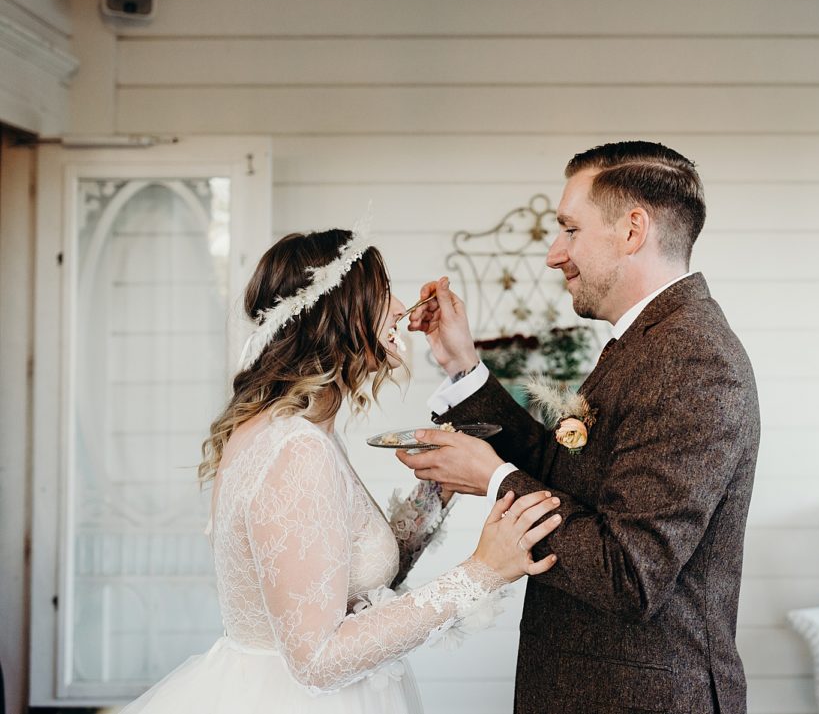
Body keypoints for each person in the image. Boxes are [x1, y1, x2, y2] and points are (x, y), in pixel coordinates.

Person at [121, 225, 564, 714]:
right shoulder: (295, 451)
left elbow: (345, 574)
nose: (399, 308)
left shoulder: (297, 431)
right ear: (337, 314)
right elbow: (318, 660)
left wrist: (434, 492)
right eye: (382, 294)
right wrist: (481, 571)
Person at [399, 141, 762, 714]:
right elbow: (567, 477)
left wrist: (495, 480)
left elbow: (629, 573)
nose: (553, 254)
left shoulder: (695, 360)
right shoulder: (649, 341)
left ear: (632, 230)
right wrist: (462, 367)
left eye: (569, 229)